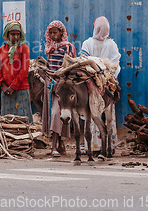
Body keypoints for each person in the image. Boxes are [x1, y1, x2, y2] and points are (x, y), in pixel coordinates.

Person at [80, 16, 121, 155]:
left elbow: (83, 61)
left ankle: (93, 146)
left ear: (94, 28)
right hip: (107, 85)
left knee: (91, 114)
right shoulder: (112, 45)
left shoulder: (87, 43)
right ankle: (110, 145)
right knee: (110, 117)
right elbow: (116, 66)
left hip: (91, 85)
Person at [44, 20, 76, 157]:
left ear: (61, 33)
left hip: (62, 86)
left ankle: (55, 145)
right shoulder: (50, 47)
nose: (52, 35)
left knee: (58, 113)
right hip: (51, 84)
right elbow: (50, 67)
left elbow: (68, 67)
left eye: (55, 32)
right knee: (55, 113)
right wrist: (51, 82)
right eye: (50, 32)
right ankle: (60, 145)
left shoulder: (67, 47)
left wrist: (60, 83)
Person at [0, 21, 32, 121]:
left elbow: (24, 70)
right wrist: (4, 85)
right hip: (6, 91)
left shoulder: (24, 48)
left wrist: (12, 87)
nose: (15, 37)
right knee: (7, 121)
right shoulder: (1, 50)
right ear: (7, 34)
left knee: (23, 119)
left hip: (21, 89)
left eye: (18, 34)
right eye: (12, 34)